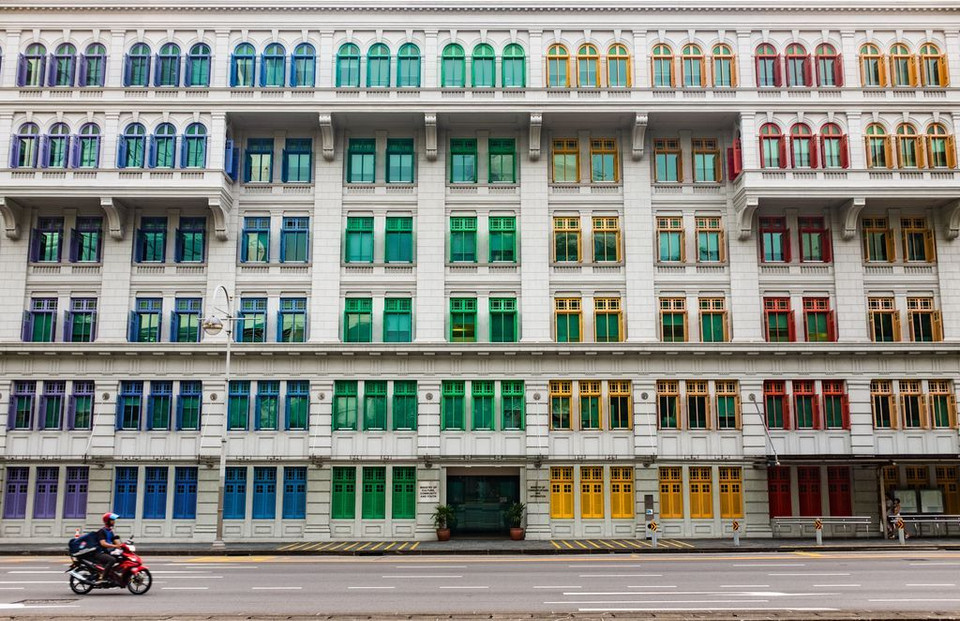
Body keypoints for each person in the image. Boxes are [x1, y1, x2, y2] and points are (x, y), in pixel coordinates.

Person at [90, 513, 122, 582]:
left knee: (121, 557)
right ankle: (103, 577)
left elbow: (115, 541)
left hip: (108, 551)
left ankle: (113, 575)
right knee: (112, 560)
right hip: (100, 553)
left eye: (114, 520)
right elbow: (103, 543)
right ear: (107, 521)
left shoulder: (110, 531)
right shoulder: (102, 531)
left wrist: (122, 546)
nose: (114, 521)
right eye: (112, 520)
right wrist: (115, 546)